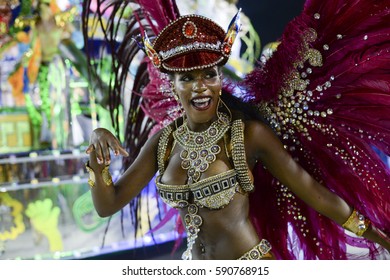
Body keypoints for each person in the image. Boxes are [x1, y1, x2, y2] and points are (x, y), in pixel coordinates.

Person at [83, 0, 390, 260]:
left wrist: (379, 234)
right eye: (187, 78)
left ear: (220, 79)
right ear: (172, 85)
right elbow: (107, 205)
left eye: (209, 75)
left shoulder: (247, 134)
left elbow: (314, 193)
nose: (200, 86)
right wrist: (97, 156)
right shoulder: (162, 143)